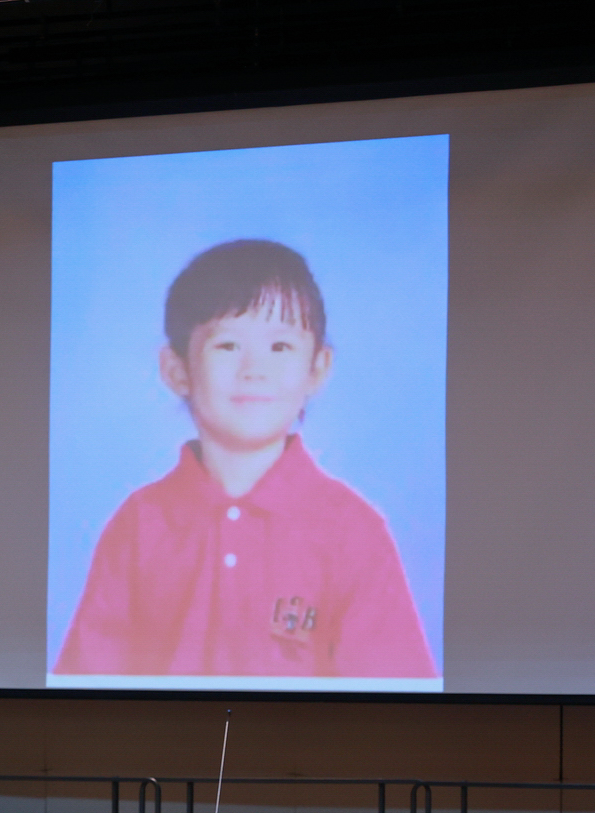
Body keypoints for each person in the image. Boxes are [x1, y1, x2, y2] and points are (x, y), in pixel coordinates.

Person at [54, 238, 435, 680]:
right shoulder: (139, 525)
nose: (255, 369)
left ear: (317, 368)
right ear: (177, 370)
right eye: (228, 346)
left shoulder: (353, 533)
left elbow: (392, 705)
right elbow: (88, 688)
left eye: (280, 347)